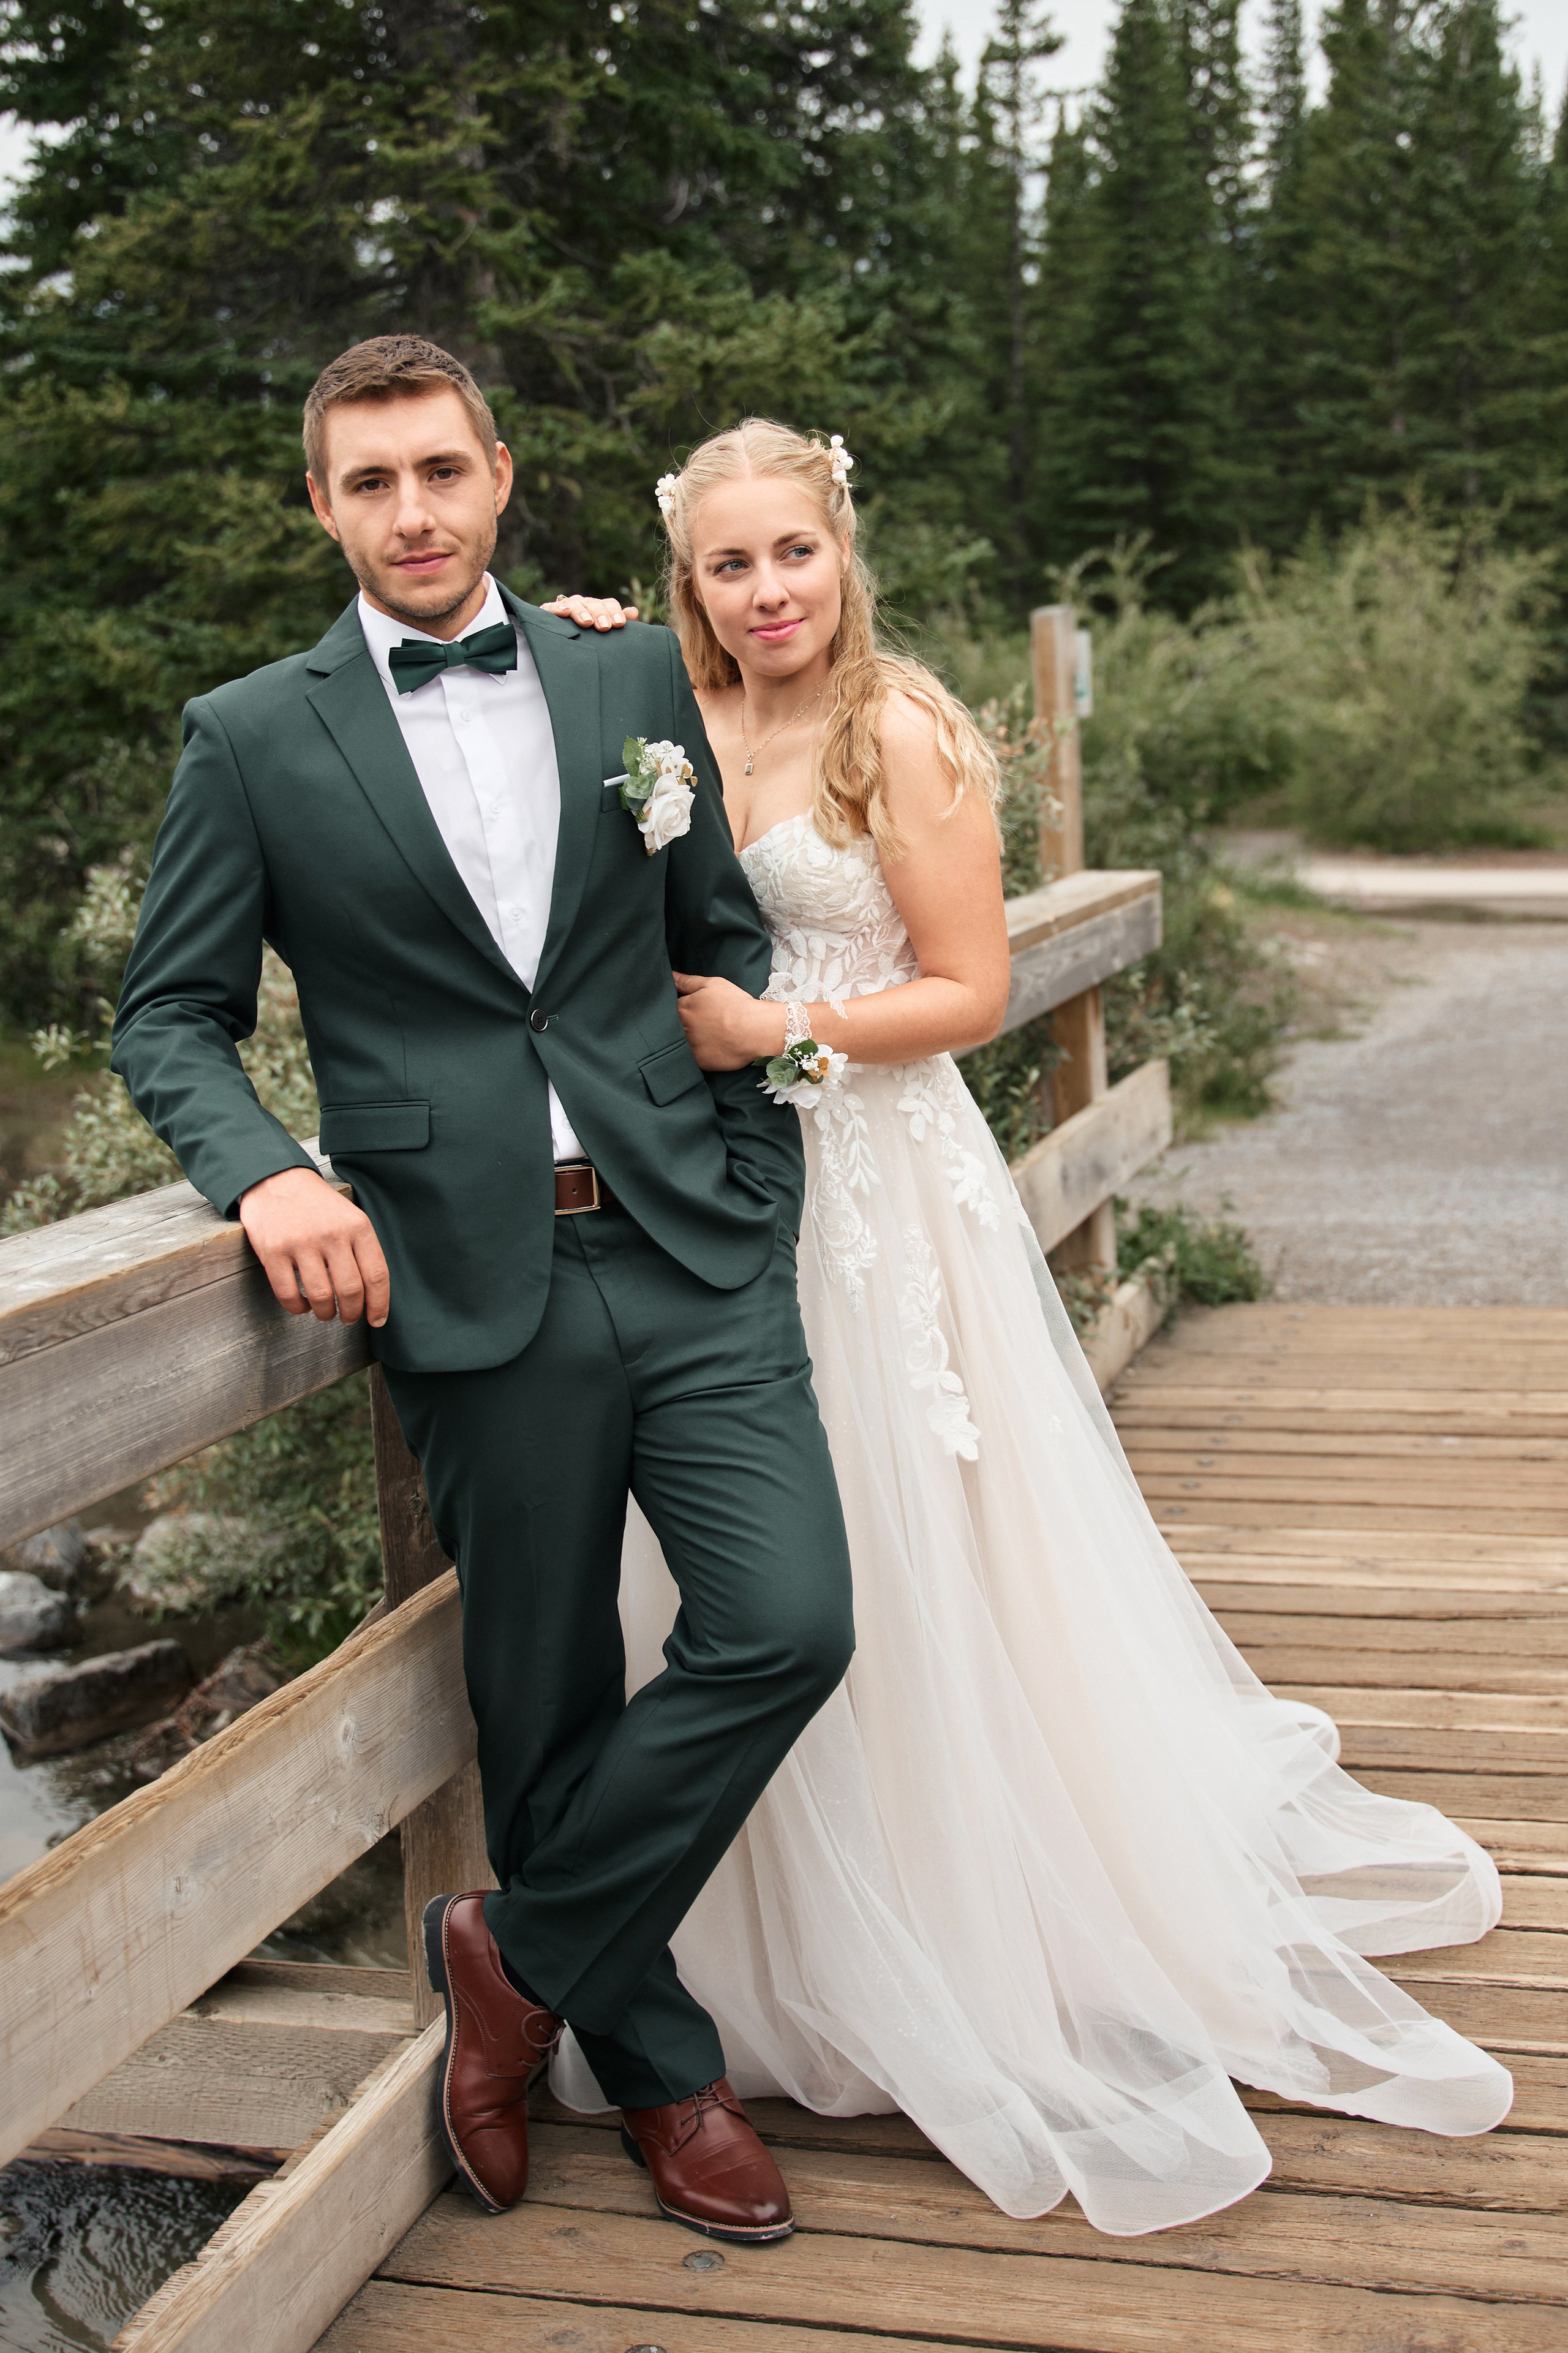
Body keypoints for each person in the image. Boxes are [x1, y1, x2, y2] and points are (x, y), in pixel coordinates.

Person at [538, 417, 1513, 2236]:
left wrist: (782, 1040)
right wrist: (565, 637)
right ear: (689, 573)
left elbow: (973, 990)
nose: (766, 594)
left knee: (909, 1541)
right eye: (729, 563)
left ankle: (954, 1921)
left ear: (846, 552)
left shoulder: (894, 729)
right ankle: (750, 1946)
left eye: (794, 556)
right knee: (749, 1557)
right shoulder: (658, 712)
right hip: (710, 1204)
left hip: (879, 1183)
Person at [110, 339, 859, 2246]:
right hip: (463, 1278)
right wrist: (272, 1169)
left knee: (787, 1621)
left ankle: (502, 1955)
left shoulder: (630, 671)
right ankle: (667, 2074)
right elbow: (170, 1017)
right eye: (372, 483)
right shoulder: (250, 735)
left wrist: (757, 1178)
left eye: (442, 470)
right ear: (324, 506)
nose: (414, 512)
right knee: (538, 1693)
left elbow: (724, 942)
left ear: (502, 477)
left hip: (690, 1242)